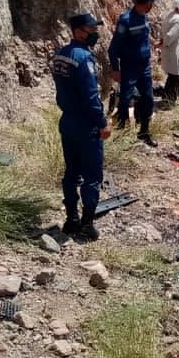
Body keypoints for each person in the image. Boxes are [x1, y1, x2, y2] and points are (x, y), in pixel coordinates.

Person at [51, 13, 112, 241]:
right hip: (86, 124)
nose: (95, 33)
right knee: (91, 176)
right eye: (91, 29)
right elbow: (90, 96)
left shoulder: (61, 55)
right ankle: (86, 224)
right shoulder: (84, 58)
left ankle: (71, 219)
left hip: (67, 121)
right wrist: (102, 122)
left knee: (71, 172)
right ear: (78, 31)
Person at [109, 0, 159, 146]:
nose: (152, 6)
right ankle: (120, 132)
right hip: (129, 66)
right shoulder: (126, 20)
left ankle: (144, 132)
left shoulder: (144, 17)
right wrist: (115, 69)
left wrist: (153, 43)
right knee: (125, 99)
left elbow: (144, 36)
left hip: (144, 66)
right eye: (152, 3)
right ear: (148, 3)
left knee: (148, 99)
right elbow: (113, 47)